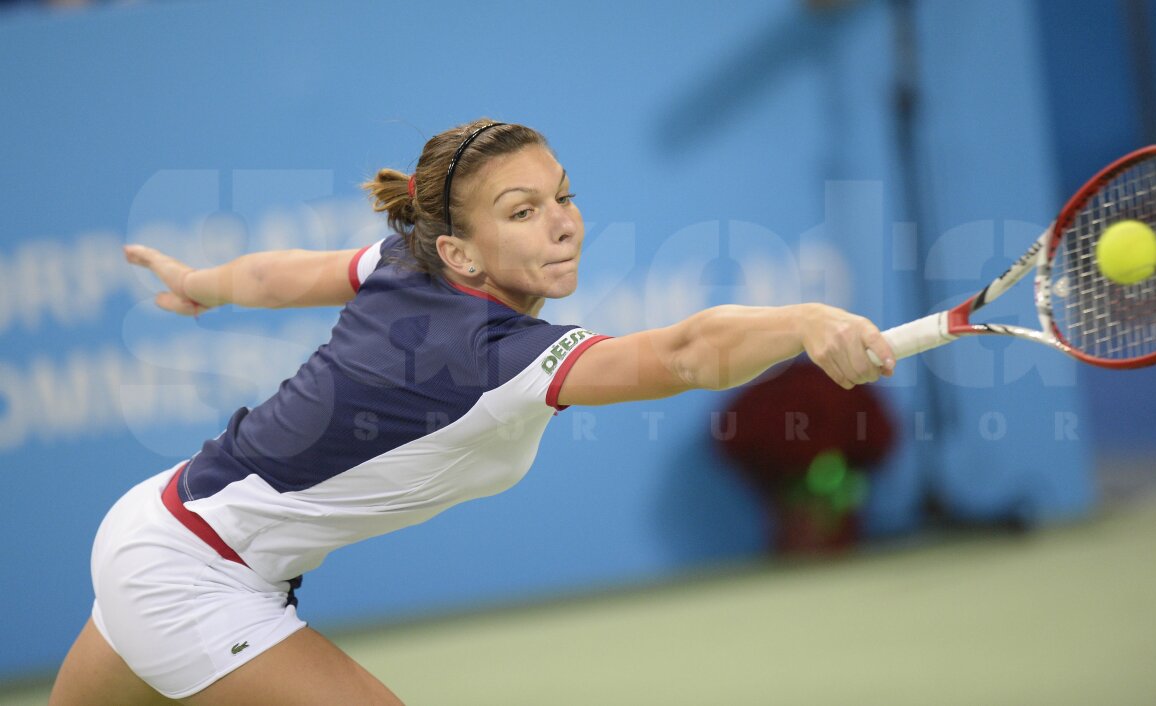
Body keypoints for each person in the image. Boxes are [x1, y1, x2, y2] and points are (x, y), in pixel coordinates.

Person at [49, 119, 895, 705]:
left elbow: (288, 275)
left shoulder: (404, 261)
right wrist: (806, 321)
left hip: (158, 524)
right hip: (187, 572)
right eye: (523, 213)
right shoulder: (498, 357)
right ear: (458, 249)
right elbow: (681, 354)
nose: (563, 226)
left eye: (563, 196)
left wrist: (204, 284)